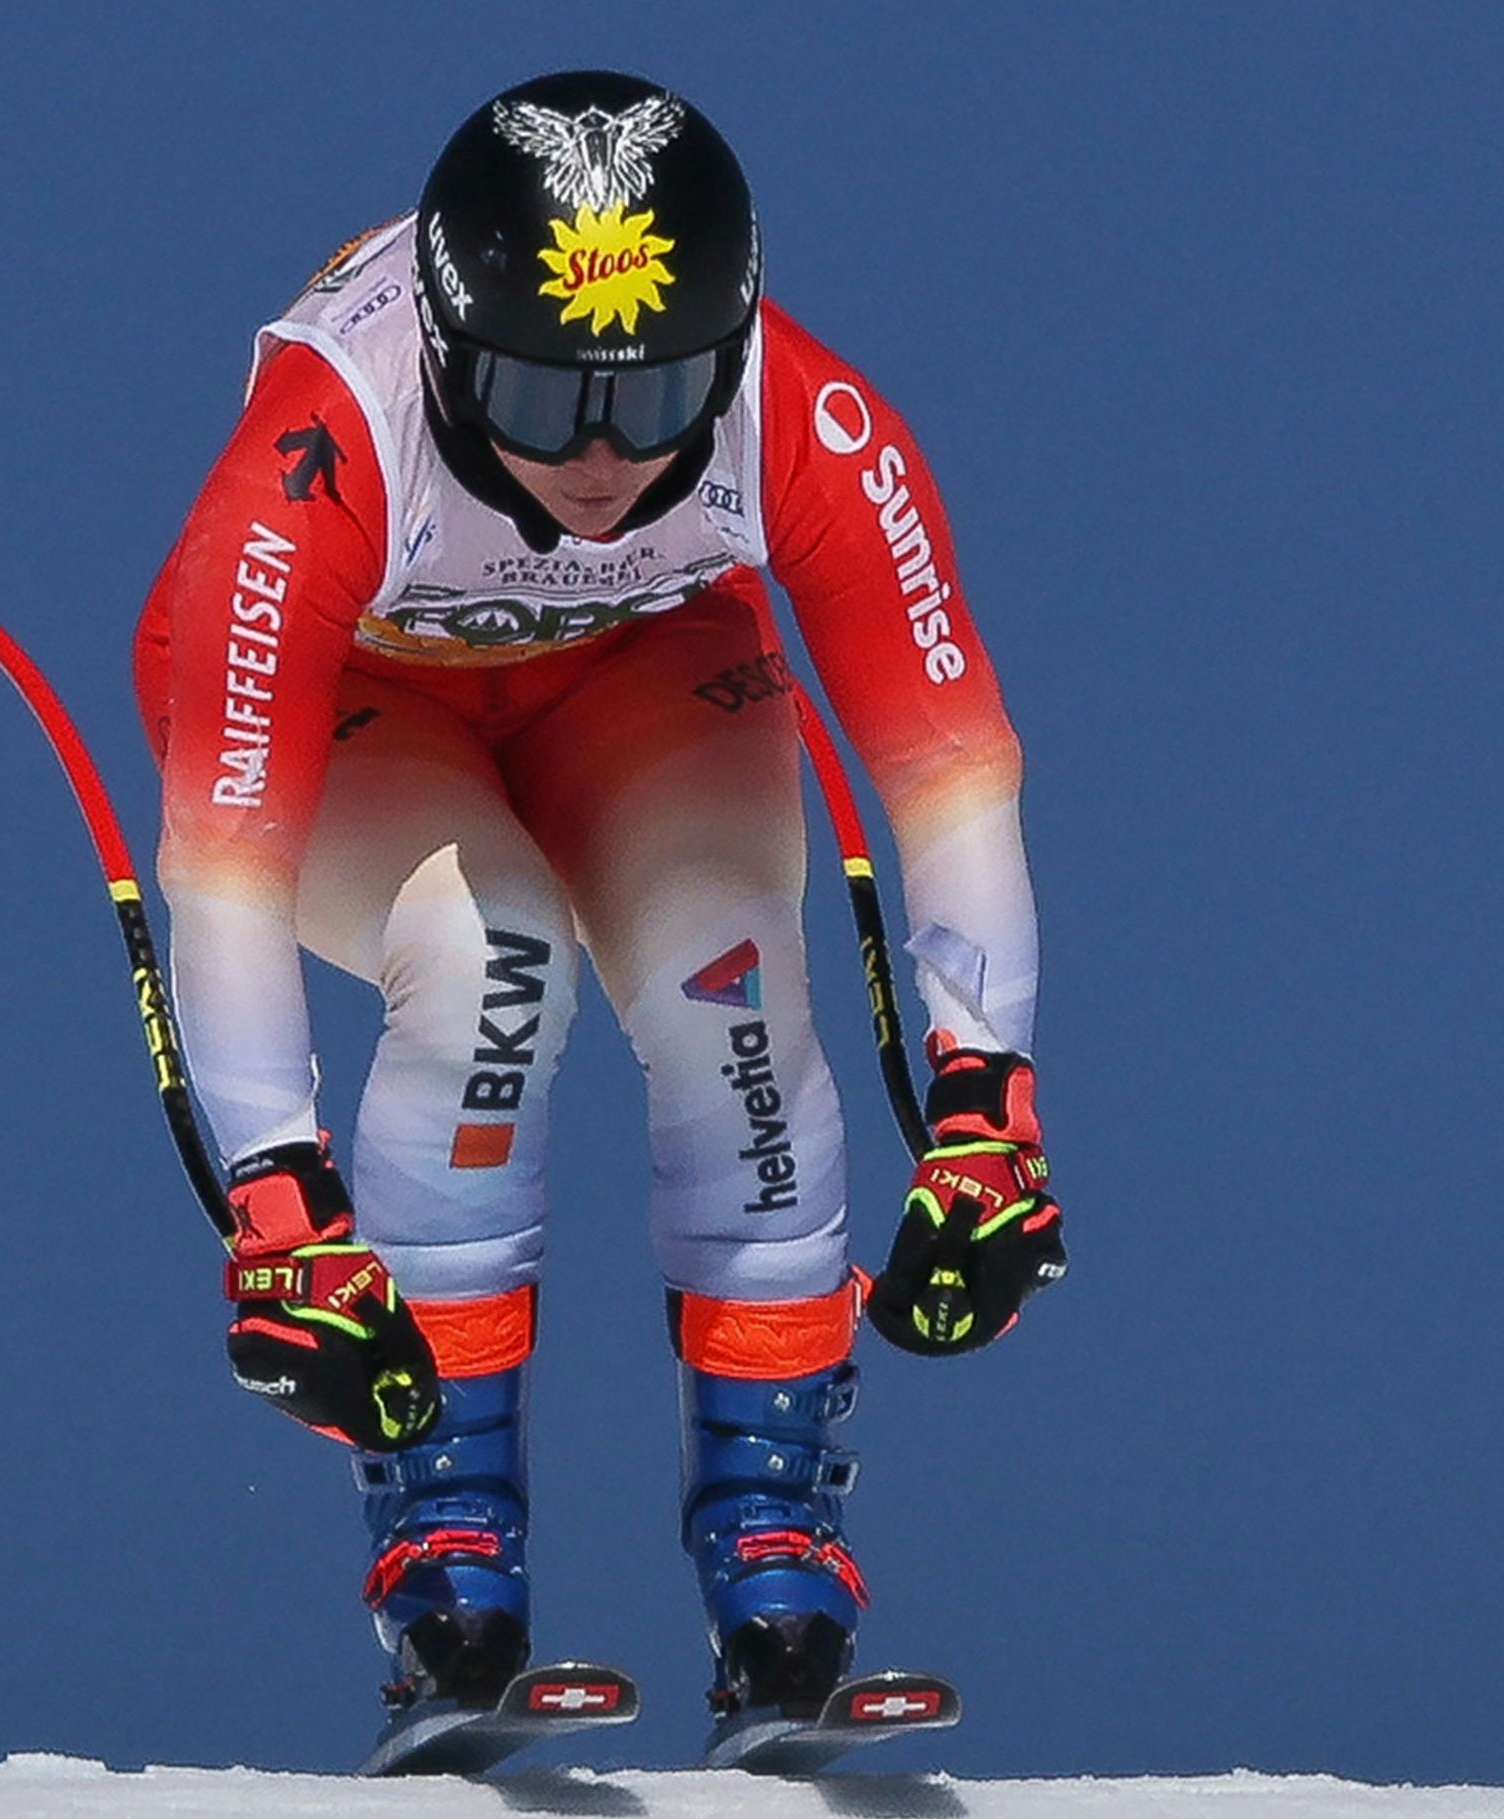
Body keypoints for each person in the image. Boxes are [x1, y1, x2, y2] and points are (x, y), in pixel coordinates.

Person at [131, 70, 1064, 1717]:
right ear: (437, 346)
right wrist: (279, 1203)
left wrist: (989, 1104)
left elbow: (953, 766)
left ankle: (778, 1554)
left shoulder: (808, 415)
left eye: (661, 397)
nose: (605, 461)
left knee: (732, 986)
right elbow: (222, 864)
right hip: (367, 701)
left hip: (644, 672)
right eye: (539, 400)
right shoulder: (322, 442)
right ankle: (445, 1554)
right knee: (492, 961)